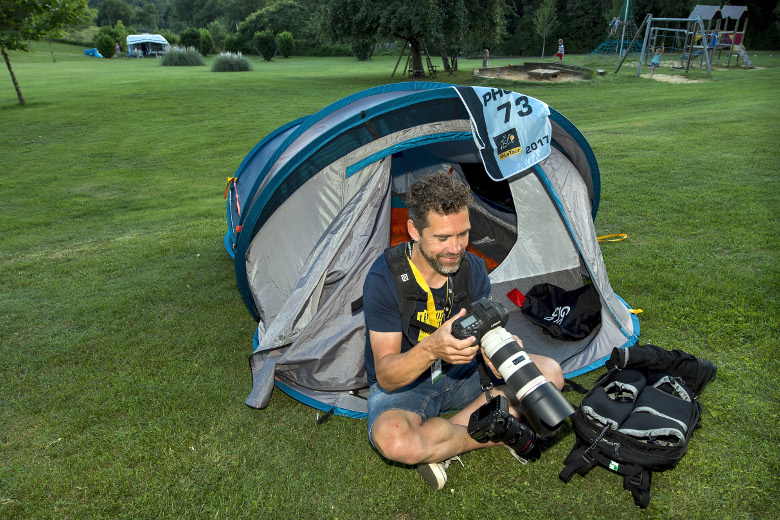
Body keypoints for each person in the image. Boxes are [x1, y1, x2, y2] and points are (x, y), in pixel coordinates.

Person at [362, 171, 565, 490]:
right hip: (406, 385)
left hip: (464, 375)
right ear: (414, 230)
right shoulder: (383, 278)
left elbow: (484, 326)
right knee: (395, 440)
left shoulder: (472, 267)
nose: (455, 249)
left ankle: (444, 440)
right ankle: (495, 430)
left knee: (550, 375)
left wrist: (497, 349)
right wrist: (431, 349)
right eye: (442, 238)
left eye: (463, 234)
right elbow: (386, 375)